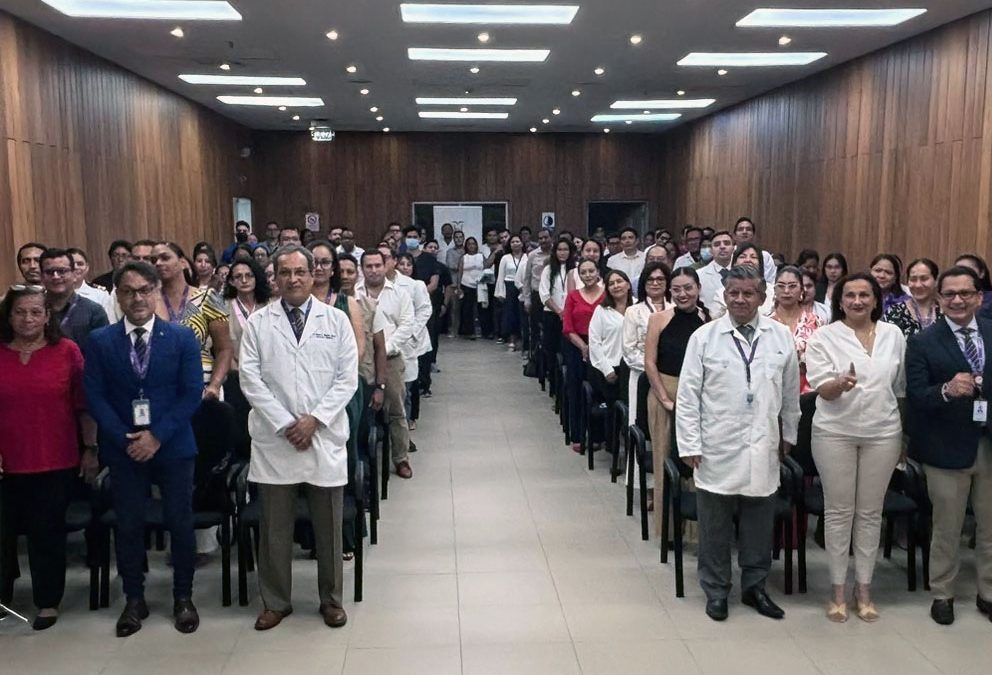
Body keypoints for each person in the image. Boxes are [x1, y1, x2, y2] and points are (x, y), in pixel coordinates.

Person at [237, 245, 357, 631]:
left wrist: (314, 421)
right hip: (277, 440)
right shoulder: (259, 323)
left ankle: (331, 599)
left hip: (322, 436)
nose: (293, 279)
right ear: (275, 277)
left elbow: (347, 379)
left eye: (300, 271)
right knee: (274, 528)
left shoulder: (335, 321)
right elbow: (250, 380)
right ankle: (276, 601)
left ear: (313, 274)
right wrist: (287, 422)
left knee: (329, 527)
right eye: (284, 272)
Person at [83, 261, 204, 636]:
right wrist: (124, 438)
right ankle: (134, 599)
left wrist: (157, 436)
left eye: (144, 290)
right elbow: (95, 396)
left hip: (172, 445)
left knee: (180, 522)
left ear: (156, 292)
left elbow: (191, 395)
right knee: (130, 524)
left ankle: (183, 597)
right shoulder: (101, 341)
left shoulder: (182, 338)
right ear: (117, 296)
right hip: (125, 448)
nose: (137, 298)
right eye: (129, 291)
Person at [676, 265, 799, 622]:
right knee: (713, 525)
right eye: (734, 293)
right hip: (717, 444)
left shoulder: (780, 337)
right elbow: (688, 397)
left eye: (748, 293)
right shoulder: (704, 337)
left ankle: (755, 587)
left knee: (759, 523)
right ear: (724, 296)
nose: (740, 300)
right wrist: (689, 444)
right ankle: (716, 590)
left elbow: (790, 394)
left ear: (762, 297)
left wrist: (788, 435)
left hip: (764, 443)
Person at [805, 272, 906, 622]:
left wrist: (904, 438)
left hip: (883, 432)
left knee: (869, 512)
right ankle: (836, 590)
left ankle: (864, 588)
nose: (858, 301)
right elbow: (822, 390)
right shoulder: (824, 337)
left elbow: (901, 388)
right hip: (835, 432)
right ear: (840, 301)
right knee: (838, 512)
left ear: (876, 299)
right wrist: (839, 384)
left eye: (865, 295)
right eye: (850, 295)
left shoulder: (894, 335)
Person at [0, 285, 98, 631]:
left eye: (36, 312)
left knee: (47, 533)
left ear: (47, 316)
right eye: (20, 312)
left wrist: (90, 449)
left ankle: (47, 600)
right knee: (2, 534)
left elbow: (84, 406)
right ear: (8, 316)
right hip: (5, 462)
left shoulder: (67, 351)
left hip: (54, 458)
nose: (28, 319)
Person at [906, 265, 992, 626]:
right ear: (939, 299)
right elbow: (916, 396)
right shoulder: (923, 341)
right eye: (950, 294)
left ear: (979, 297)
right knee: (947, 528)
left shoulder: (989, 330)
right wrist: (946, 390)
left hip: (988, 444)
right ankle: (943, 592)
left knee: (990, 527)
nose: (957, 300)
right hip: (945, 449)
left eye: (965, 293)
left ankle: (988, 592)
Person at [644, 267, 709, 534]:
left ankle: (696, 531)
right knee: (664, 459)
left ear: (698, 289)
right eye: (677, 289)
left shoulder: (708, 320)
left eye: (688, 288)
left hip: (699, 395)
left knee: (696, 460)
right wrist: (664, 398)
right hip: (665, 391)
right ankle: (668, 528)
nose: (683, 294)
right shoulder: (659, 318)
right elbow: (649, 361)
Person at [356, 250, 414, 479]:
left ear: (386, 266)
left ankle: (401, 459)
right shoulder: (354, 293)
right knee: (362, 410)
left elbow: (407, 325)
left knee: (396, 410)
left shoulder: (399, 293)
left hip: (390, 358)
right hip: (361, 360)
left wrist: (384, 347)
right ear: (362, 268)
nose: (373, 270)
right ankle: (363, 461)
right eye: (368, 266)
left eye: (377, 265)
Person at [152, 243, 232, 401]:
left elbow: (224, 349)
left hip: (203, 385)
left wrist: (214, 386)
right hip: (161, 386)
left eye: (165, 258)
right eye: (153, 260)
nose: (158, 263)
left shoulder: (208, 297)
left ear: (183, 263)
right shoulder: (148, 300)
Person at [562, 259, 606, 453]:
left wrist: (595, 348)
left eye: (591, 271)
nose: (588, 275)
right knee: (576, 390)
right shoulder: (573, 296)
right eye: (584, 272)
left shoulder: (606, 296)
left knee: (598, 391)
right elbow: (567, 327)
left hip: (603, 347)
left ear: (598, 273)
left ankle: (597, 436)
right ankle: (578, 435)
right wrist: (583, 347)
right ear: (579, 275)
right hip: (576, 345)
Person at [588, 269, 632, 452]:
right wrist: (607, 369)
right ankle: (614, 451)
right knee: (614, 412)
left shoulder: (638, 307)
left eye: (620, 281)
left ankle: (632, 450)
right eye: (611, 283)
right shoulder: (602, 311)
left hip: (634, 367)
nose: (616, 286)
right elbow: (594, 342)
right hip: (611, 369)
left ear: (628, 284)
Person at [40, 248, 109, 350]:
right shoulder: (33, 310)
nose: (56, 276)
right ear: (41, 276)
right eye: (49, 272)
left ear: (74, 275)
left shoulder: (93, 311)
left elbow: (103, 351)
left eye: (62, 271)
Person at [623, 262, 670, 409]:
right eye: (650, 279)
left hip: (669, 375)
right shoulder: (633, 311)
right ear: (643, 283)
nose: (655, 283)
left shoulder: (675, 309)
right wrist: (653, 368)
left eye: (660, 279)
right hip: (641, 374)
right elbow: (629, 350)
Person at [770, 266, 822, 394]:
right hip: (772, 391)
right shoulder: (765, 324)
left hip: (808, 393)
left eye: (792, 286)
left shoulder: (816, 322)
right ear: (774, 290)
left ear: (801, 290)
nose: (786, 291)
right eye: (781, 286)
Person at [396, 253, 430, 430]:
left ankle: (412, 417)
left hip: (414, 339)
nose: (405, 267)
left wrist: (412, 333)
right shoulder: (392, 286)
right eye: (401, 264)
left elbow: (424, 310)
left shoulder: (417, 285)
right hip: (396, 339)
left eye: (408, 264)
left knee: (412, 382)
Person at [540, 238, 575, 390]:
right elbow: (544, 295)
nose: (562, 253)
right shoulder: (548, 270)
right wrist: (559, 311)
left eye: (565, 249)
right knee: (552, 351)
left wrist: (567, 312)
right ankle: (554, 386)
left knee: (567, 352)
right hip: (552, 315)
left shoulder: (576, 269)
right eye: (559, 250)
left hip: (572, 316)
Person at [709, 243, 774, 319]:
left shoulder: (772, 291)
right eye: (742, 257)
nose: (748, 260)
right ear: (734, 263)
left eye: (753, 257)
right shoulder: (721, 293)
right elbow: (715, 320)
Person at [884, 258, 941, 337]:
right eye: (913, 279)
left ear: (936, 281)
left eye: (924, 279)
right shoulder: (894, 312)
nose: (918, 285)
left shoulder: (947, 312)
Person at [521, 228, 553, 359]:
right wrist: (526, 299)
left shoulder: (557, 253)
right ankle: (534, 355)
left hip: (552, 296)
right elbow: (527, 279)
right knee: (534, 327)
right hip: (536, 295)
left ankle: (549, 354)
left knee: (550, 326)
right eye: (540, 238)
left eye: (546, 237)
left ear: (551, 238)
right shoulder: (532, 255)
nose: (543, 240)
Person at [495, 234, 526, 351]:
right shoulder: (505, 258)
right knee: (510, 314)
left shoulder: (527, 257)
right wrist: (500, 293)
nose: (515, 244)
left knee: (522, 314)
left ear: (522, 243)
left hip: (522, 287)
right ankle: (511, 340)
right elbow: (500, 276)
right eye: (512, 242)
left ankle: (523, 341)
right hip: (509, 287)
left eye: (517, 241)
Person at [696, 230, 735, 308]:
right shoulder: (699, 275)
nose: (722, 247)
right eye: (717, 244)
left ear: (733, 248)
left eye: (726, 243)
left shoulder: (744, 273)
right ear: (711, 250)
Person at [731, 218, 777, 285]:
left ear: (753, 235)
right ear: (734, 236)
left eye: (748, 229)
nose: (744, 232)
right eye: (740, 229)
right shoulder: (729, 254)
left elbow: (770, 281)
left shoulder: (765, 256)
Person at [457, 237, 484, 339]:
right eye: (469, 244)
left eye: (473, 244)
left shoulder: (481, 256)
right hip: (466, 285)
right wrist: (459, 287)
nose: (471, 246)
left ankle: (484, 331)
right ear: (466, 246)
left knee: (481, 309)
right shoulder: (464, 257)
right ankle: (468, 332)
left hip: (480, 285)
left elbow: (486, 267)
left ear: (476, 245)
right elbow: (460, 272)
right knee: (467, 309)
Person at [606, 227, 646, 296]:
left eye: (630, 238)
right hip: (620, 294)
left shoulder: (645, 258)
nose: (627, 241)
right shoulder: (612, 260)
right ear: (621, 242)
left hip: (642, 293)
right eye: (624, 239)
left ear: (637, 241)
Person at [954, 254, 992, 320]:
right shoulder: (951, 297)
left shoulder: (990, 299)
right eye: (957, 271)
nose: (961, 274)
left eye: (967, 270)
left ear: (981, 273)